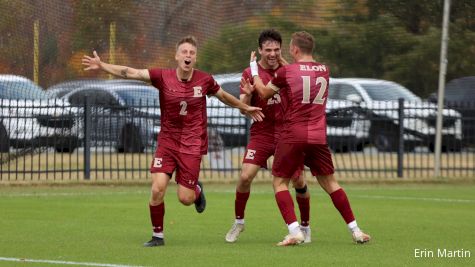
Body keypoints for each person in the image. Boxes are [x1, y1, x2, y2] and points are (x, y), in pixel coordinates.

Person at [82, 35, 264, 247]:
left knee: (185, 199)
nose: (188, 56)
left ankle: (196, 190)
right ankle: (157, 236)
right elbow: (130, 72)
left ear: (195, 58)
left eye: (192, 53)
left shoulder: (205, 80)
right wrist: (101, 65)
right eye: (184, 52)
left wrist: (245, 107)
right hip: (167, 141)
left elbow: (223, 96)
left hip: (192, 143)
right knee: (158, 188)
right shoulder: (162, 76)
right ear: (176, 56)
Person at [249, 31, 371, 246]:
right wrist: (286, 63)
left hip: (293, 135)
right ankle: (356, 230)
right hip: (317, 136)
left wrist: (253, 69)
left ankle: (295, 231)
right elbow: (299, 72)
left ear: (294, 49)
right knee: (331, 183)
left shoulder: (286, 72)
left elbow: (264, 92)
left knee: (279, 182)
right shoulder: (324, 70)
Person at [225, 29, 311, 244]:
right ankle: (239, 222)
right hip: (262, 133)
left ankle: (305, 227)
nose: (272, 54)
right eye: (268, 50)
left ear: (281, 50)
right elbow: (243, 107)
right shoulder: (250, 72)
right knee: (245, 177)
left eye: (276, 49)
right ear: (260, 50)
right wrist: (246, 96)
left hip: (287, 133)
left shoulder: (290, 71)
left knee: (299, 180)